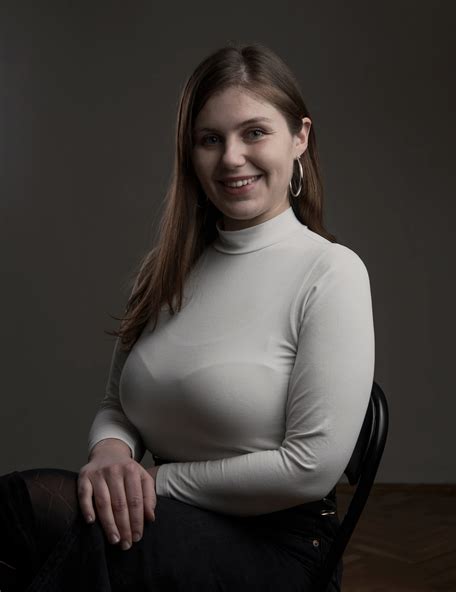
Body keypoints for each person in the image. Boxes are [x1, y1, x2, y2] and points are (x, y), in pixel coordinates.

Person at [0, 41, 375, 591]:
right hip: (167, 520)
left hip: (276, 546)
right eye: (210, 139)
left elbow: (310, 467)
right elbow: (116, 406)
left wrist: (154, 481)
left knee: (105, 536)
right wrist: (110, 455)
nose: (231, 158)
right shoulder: (166, 269)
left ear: (299, 138)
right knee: (16, 505)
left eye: (254, 132)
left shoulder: (331, 272)